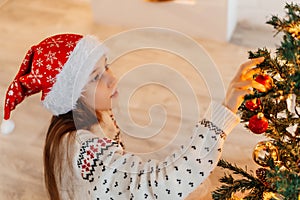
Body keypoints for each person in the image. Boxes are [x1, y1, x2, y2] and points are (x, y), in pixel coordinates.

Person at [1, 33, 265, 200]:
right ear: (71, 96)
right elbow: (161, 185)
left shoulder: (78, 124)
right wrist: (226, 110)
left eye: (106, 67)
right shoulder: (85, 150)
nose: (112, 78)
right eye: (96, 77)